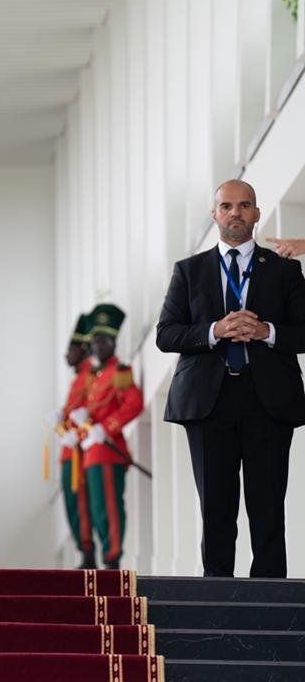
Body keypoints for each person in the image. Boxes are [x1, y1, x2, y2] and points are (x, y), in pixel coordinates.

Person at [157, 179, 305, 578]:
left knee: (268, 509)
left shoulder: (285, 271)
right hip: (209, 403)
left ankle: (272, 607)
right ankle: (216, 602)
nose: (235, 213)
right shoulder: (188, 270)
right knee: (216, 510)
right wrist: (215, 330)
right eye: (227, 206)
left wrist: (266, 331)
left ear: (257, 213)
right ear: (214, 214)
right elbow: (166, 334)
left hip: (268, 401)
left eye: (244, 205)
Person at [67, 304, 142, 570]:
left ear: (112, 343)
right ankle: (103, 555)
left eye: (102, 341)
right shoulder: (94, 376)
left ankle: (113, 557)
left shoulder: (120, 370)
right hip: (90, 452)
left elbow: (133, 404)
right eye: (95, 342)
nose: (96, 347)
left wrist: (107, 427)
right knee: (96, 510)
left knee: (108, 508)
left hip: (109, 450)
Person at [48, 313, 96, 569]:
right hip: (69, 451)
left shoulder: (90, 375)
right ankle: (84, 550)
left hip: (79, 451)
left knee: (81, 506)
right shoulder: (78, 377)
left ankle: (88, 553)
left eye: (71, 349)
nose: (67, 355)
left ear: (82, 349)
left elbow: (89, 411)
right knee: (72, 506)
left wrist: (74, 430)